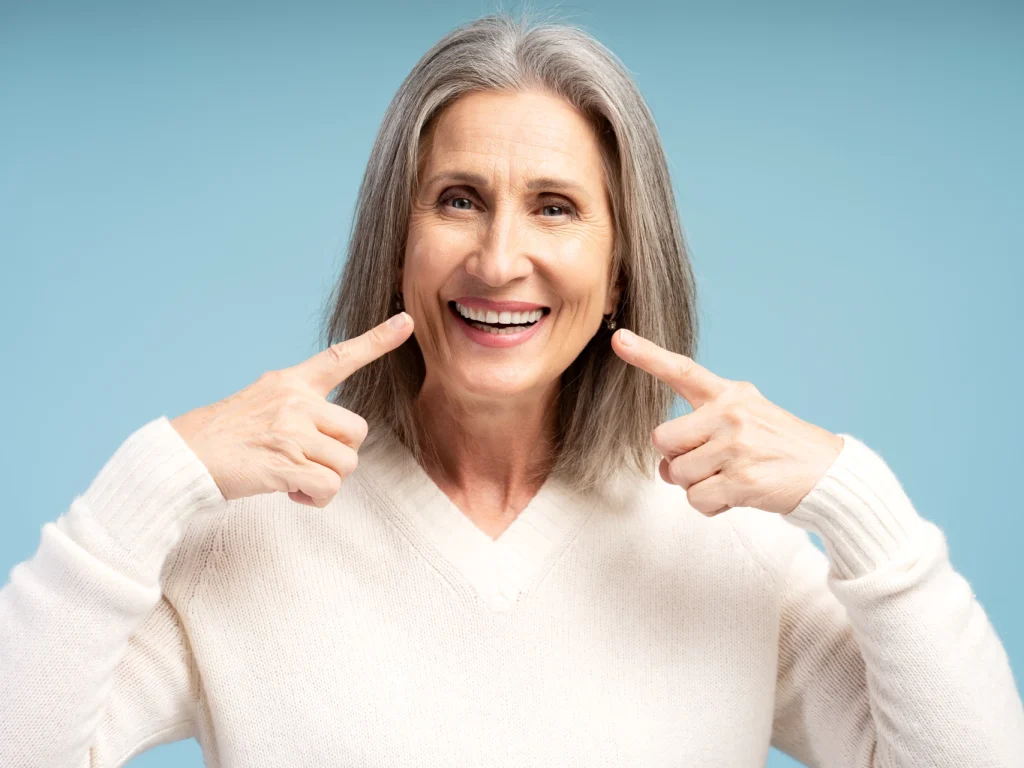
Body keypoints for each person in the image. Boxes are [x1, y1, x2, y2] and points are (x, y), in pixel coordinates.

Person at [1, 11, 1022, 767]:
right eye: (458, 200)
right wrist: (155, 476)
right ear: (395, 242)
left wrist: (859, 501)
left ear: (622, 263)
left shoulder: (729, 551)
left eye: (554, 208)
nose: (498, 258)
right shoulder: (248, 540)